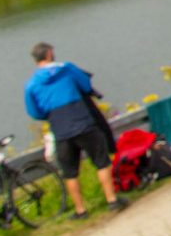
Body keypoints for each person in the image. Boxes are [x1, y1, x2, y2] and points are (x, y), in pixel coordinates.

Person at [24, 43, 128, 218]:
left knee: (70, 172)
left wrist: (51, 115)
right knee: (101, 161)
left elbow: (34, 111)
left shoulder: (31, 85)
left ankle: (81, 210)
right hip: (82, 122)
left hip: (60, 129)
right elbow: (86, 85)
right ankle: (112, 200)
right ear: (49, 54)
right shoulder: (67, 69)